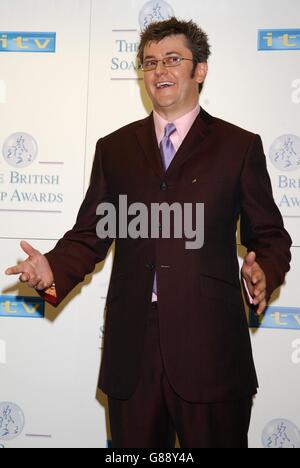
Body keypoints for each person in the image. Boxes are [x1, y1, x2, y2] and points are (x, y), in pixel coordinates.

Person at [5, 18, 292, 448]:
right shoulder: (114, 148)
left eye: (173, 59)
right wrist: (52, 269)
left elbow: (270, 236)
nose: (160, 70)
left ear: (200, 70)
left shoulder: (239, 146)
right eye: (150, 62)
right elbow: (91, 234)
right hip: (132, 348)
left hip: (210, 347)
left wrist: (263, 272)